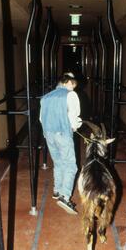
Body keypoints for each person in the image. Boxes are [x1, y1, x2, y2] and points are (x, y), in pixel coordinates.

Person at [40, 72, 82, 215]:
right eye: (73, 85)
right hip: (63, 133)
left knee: (58, 163)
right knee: (71, 165)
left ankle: (57, 190)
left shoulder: (46, 97)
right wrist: (76, 126)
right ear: (67, 82)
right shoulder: (70, 95)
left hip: (48, 135)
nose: (73, 88)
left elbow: (41, 118)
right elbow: (74, 117)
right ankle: (65, 197)